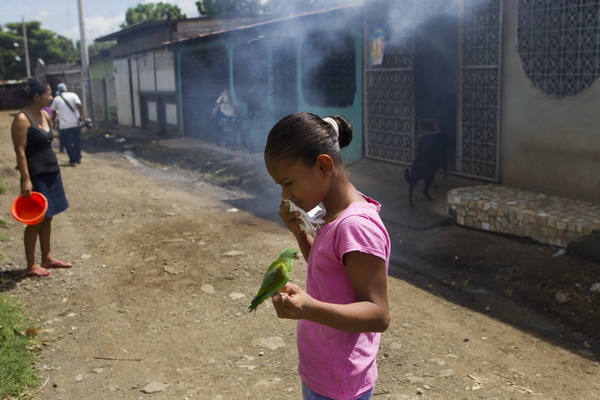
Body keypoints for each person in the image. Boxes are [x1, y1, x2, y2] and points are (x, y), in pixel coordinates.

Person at [263, 112, 391, 400]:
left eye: (288, 182)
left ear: (323, 165)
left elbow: (378, 314)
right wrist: (300, 233)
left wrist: (310, 309)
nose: (286, 196)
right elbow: (327, 269)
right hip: (322, 371)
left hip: (341, 382)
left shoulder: (355, 226)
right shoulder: (327, 214)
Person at [11, 78, 72, 277]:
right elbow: (20, 151)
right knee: (34, 220)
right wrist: (26, 179)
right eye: (48, 94)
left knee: (49, 216)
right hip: (35, 175)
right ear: (37, 97)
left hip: (51, 171)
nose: (51, 97)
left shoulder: (44, 114)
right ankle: (31, 265)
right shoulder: (22, 119)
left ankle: (47, 257)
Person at [51, 82, 84, 165]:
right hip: (75, 123)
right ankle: (78, 157)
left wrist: (54, 121)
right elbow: (79, 105)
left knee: (68, 142)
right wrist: (81, 115)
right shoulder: (73, 95)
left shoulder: (57, 99)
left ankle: (73, 160)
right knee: (77, 141)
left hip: (64, 125)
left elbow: (53, 111)